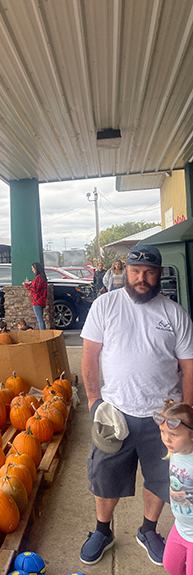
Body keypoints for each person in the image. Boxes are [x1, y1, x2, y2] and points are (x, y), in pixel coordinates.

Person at [80, 245, 193, 567]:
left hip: (164, 417)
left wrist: (186, 414)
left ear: (159, 274)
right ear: (124, 272)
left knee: (160, 479)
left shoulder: (174, 313)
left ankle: (148, 530)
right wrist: (92, 399)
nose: (141, 278)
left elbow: (189, 365)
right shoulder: (105, 305)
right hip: (114, 412)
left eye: (149, 272)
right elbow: (89, 355)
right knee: (105, 478)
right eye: (135, 271)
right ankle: (102, 530)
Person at [152, 400, 193, 575]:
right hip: (180, 527)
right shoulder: (174, 453)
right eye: (163, 432)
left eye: (174, 435)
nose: (166, 439)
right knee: (171, 566)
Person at [23, 262, 48, 330]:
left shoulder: (38, 278)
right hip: (42, 300)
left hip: (37, 301)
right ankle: (44, 332)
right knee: (41, 319)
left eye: (32, 268)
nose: (32, 270)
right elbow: (37, 286)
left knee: (40, 320)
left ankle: (42, 333)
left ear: (36, 269)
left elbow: (35, 289)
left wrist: (26, 285)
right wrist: (31, 283)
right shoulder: (43, 277)